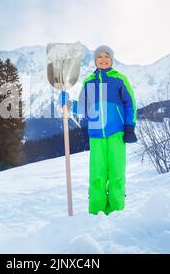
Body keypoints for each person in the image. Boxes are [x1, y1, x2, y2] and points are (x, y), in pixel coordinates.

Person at [59, 45, 137, 215]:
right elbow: (82, 109)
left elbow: (131, 104)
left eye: (106, 56)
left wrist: (130, 127)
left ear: (112, 59)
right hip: (96, 134)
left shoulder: (119, 80)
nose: (103, 60)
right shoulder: (89, 82)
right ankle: (96, 212)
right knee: (97, 174)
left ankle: (117, 210)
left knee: (116, 173)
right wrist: (67, 103)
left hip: (117, 132)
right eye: (99, 57)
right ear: (95, 60)